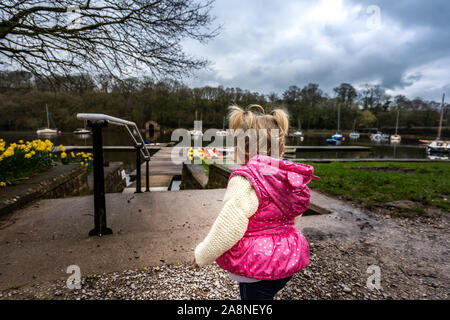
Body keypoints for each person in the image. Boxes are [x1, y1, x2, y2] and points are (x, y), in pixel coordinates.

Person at [193, 104, 318, 300]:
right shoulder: (288, 177)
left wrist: (202, 255)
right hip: (288, 257)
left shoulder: (245, 181)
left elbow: (227, 228)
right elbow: (296, 212)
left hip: (258, 262)